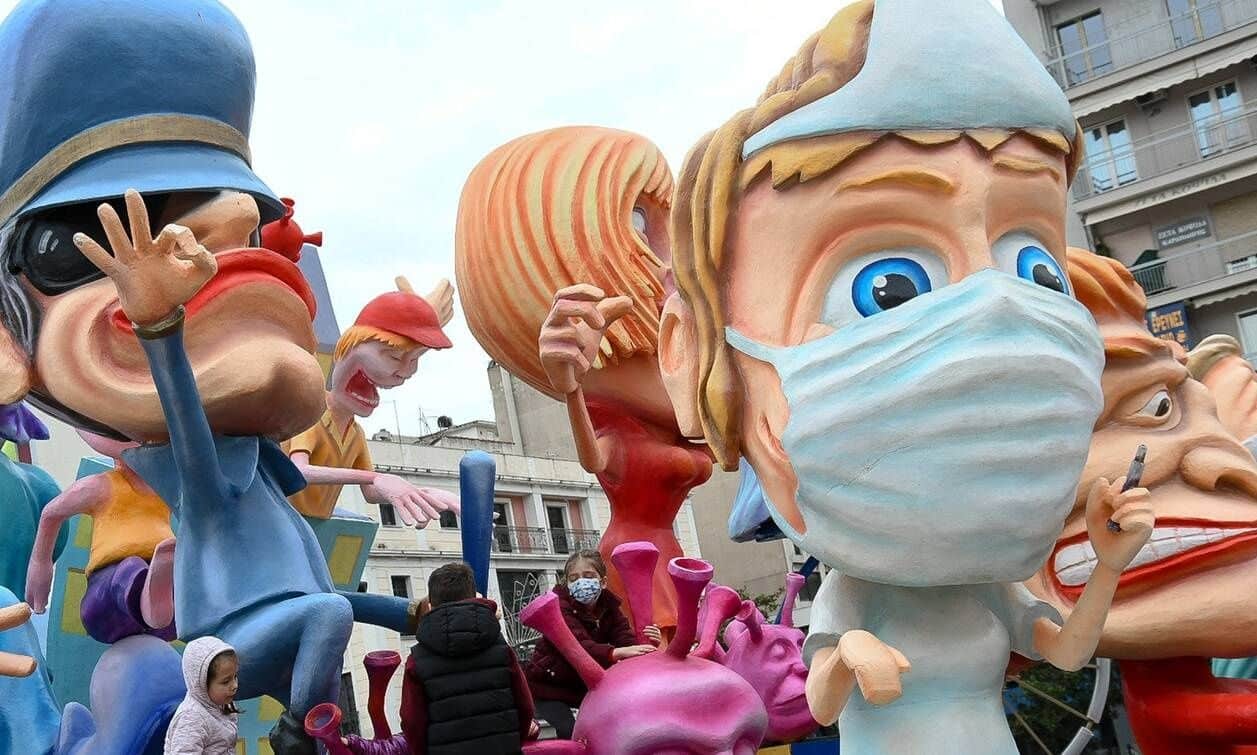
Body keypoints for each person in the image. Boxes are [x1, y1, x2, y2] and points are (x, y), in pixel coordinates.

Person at [656, 1, 1153, 752]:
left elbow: (1066, 651)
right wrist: (847, 657)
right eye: (887, 286)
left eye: (1037, 268)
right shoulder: (854, 593)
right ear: (696, 358)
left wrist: (1109, 564)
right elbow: (820, 705)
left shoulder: (991, 584)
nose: (998, 309)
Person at [455, 126, 713, 636]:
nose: (676, 269)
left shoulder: (679, 422)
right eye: (639, 223)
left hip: (670, 556)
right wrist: (570, 386)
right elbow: (592, 458)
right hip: (635, 561)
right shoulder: (617, 435)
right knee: (658, 651)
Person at [394, 562, 536, 755]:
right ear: (474, 597)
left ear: (430, 606)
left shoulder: (416, 660)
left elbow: (411, 721)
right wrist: (511, 742)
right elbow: (525, 705)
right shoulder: (501, 647)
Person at [524, 550, 659, 739]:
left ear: (603, 582)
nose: (581, 582)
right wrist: (615, 653)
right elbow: (578, 645)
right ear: (567, 583)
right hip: (549, 688)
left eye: (588, 576)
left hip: (584, 687)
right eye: (574, 578)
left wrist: (648, 643)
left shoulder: (610, 608)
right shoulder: (559, 607)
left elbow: (626, 640)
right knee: (570, 731)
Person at [164, 636, 240, 755]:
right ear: (202, 684)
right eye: (226, 682)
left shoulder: (220, 704)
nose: (234, 685)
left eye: (235, 676)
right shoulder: (192, 718)